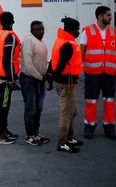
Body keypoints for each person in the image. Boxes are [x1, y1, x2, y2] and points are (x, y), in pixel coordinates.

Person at [80, 6, 116, 140]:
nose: (110, 18)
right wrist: (80, 68)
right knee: (91, 101)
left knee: (109, 101)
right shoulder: (88, 31)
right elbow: (81, 50)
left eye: (110, 15)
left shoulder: (113, 31)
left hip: (110, 74)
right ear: (100, 16)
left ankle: (109, 127)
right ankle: (89, 127)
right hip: (92, 73)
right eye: (108, 15)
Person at [48, 17, 83, 153]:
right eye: (77, 30)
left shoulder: (62, 41)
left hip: (68, 81)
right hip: (65, 82)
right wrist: (53, 79)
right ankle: (62, 143)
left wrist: (51, 77)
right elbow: (60, 64)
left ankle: (69, 136)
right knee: (66, 112)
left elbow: (52, 61)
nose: (78, 32)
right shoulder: (67, 45)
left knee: (73, 111)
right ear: (71, 30)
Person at [0, 11, 20, 144]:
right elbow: (7, 60)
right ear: (13, 21)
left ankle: (3, 130)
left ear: (1, 22)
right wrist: (11, 78)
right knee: (3, 106)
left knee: (2, 104)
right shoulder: (10, 37)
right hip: (4, 76)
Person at [20, 21, 50, 146]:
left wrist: (46, 75)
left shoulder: (42, 41)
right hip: (29, 80)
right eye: (38, 30)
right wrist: (40, 76)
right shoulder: (28, 41)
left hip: (40, 81)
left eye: (42, 29)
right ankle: (30, 135)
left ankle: (36, 133)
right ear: (32, 31)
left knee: (39, 108)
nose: (41, 32)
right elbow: (28, 64)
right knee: (30, 108)